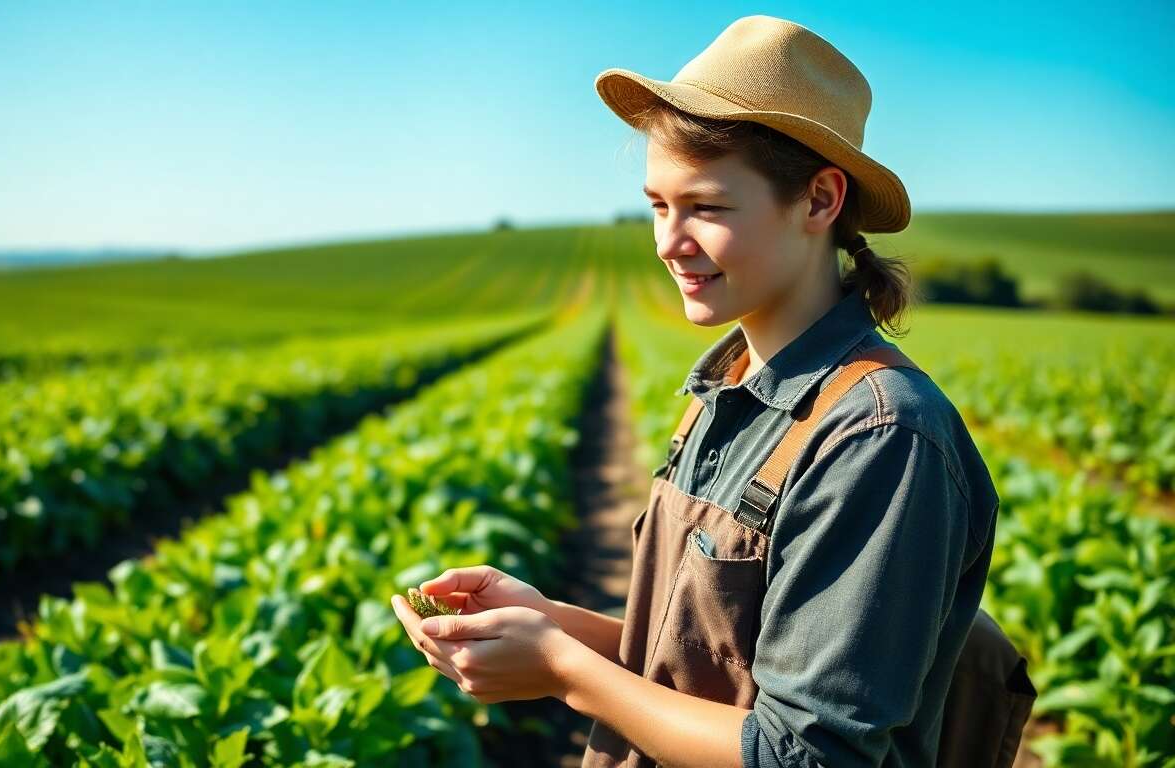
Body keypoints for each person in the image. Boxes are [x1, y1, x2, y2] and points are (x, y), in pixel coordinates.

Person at [392, 15, 1000, 767]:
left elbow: (806, 753)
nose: (669, 242)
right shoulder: (729, 389)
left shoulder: (880, 437)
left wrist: (561, 667)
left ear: (819, 201)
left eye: (707, 207)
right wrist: (551, 623)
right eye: (658, 204)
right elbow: (714, 673)